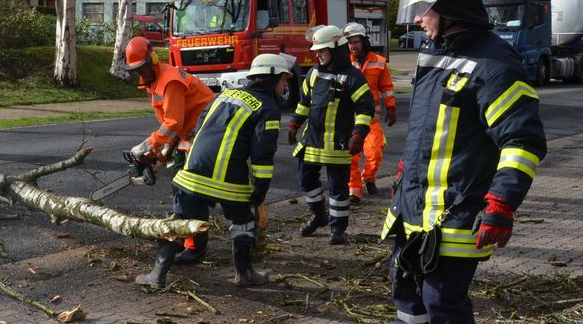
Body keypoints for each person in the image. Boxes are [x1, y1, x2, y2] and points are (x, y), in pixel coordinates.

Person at [381, 0, 546, 324]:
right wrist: (403, 174)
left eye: (422, 9)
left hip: (457, 212)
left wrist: (500, 206)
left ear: (447, 6)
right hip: (414, 207)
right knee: (405, 288)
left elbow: (523, 141)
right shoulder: (437, 53)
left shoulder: (495, 65)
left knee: (444, 302)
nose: (416, 19)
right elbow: (430, 132)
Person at [136, 53, 292, 289]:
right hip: (230, 179)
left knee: (178, 220)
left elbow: (199, 124)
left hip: (193, 171)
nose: (286, 85)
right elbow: (262, 155)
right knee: (243, 221)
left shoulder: (225, 95)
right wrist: (260, 188)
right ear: (270, 79)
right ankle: (245, 273)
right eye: (283, 80)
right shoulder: (268, 108)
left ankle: (157, 275)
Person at [121, 36, 216, 265]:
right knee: (179, 184)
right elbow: (172, 125)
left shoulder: (169, 80)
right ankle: (186, 238)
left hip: (205, 128)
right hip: (189, 132)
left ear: (152, 59)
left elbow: (173, 123)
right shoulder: (153, 83)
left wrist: (146, 148)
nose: (141, 74)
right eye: (137, 70)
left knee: (188, 187)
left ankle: (194, 247)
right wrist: (158, 154)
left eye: (143, 68)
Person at [287, 26, 375, 245]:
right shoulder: (314, 73)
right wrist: (294, 124)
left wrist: (358, 135)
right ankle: (319, 216)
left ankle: (338, 229)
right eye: (316, 50)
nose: (317, 55)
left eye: (322, 50)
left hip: (338, 143)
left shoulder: (353, 77)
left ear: (335, 49)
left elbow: (365, 108)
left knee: (338, 188)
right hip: (312, 140)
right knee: (305, 180)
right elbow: (305, 102)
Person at [344, 22, 397, 204]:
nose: (353, 46)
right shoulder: (345, 63)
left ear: (364, 41)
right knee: (351, 156)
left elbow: (387, 88)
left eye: (356, 41)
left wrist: (391, 108)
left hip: (371, 120)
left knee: (375, 153)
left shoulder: (379, 62)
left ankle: (369, 178)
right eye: (350, 43)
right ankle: (355, 190)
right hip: (350, 119)